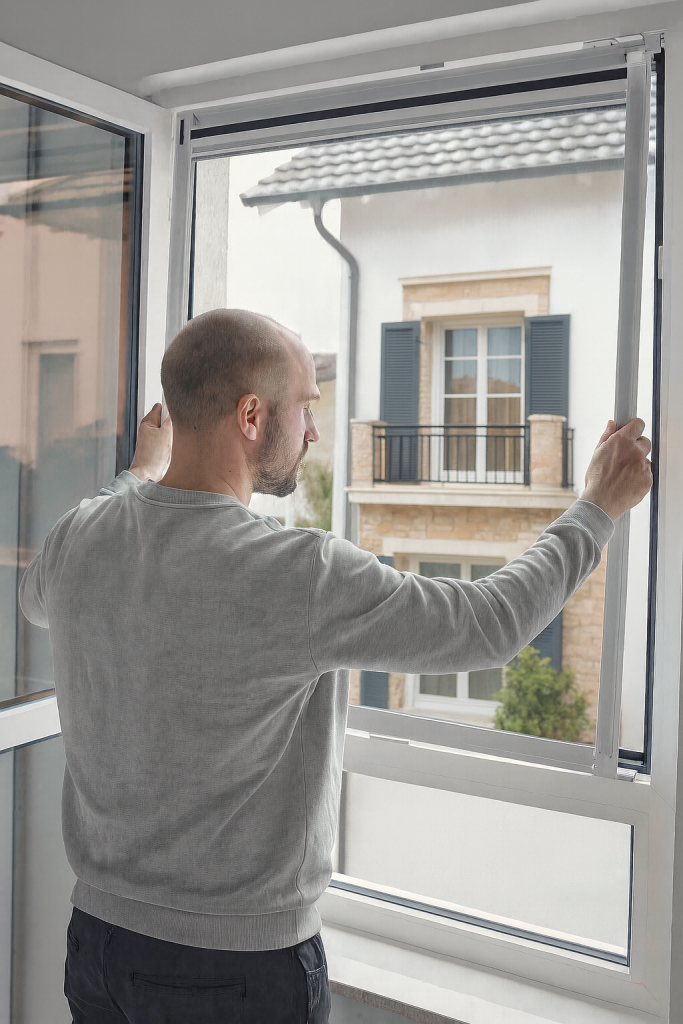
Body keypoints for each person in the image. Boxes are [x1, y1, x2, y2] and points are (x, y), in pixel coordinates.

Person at [19, 309, 652, 1024]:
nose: (314, 432)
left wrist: (138, 473)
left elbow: (36, 599)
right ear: (251, 415)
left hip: (99, 946)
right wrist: (596, 506)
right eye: (304, 408)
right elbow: (486, 625)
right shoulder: (293, 572)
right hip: (234, 972)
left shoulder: (82, 538)